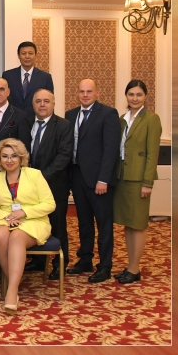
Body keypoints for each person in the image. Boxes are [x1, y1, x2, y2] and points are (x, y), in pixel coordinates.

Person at [0, 138, 55, 315]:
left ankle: (11, 291)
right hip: (7, 219)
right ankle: (13, 282)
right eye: (5, 156)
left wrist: (24, 212)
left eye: (14, 156)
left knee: (17, 236)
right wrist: (8, 217)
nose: (9, 160)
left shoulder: (35, 175)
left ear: (21, 158)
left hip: (34, 220)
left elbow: (50, 204)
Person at [64, 79, 120, 283]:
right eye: (82, 91)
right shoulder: (70, 115)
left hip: (99, 179)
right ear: (77, 93)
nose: (85, 95)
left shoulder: (108, 114)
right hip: (77, 176)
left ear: (97, 93)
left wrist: (103, 179)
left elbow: (111, 150)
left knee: (103, 224)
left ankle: (105, 266)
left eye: (89, 91)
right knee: (84, 221)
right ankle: (85, 259)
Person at [113, 80, 162, 284]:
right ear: (126, 96)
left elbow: (152, 153)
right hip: (122, 178)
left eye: (139, 94)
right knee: (128, 223)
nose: (135, 98)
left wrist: (147, 182)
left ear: (145, 96)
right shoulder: (122, 119)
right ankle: (130, 265)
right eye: (131, 94)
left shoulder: (151, 119)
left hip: (139, 179)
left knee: (139, 224)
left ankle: (135, 268)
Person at [24, 89, 73, 279]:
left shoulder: (63, 126)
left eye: (46, 101)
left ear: (53, 103)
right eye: (38, 101)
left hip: (54, 186)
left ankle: (60, 265)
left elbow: (64, 156)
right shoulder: (27, 123)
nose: (42, 105)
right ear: (33, 104)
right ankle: (38, 261)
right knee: (34, 223)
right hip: (29, 187)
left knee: (57, 225)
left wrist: (40, 179)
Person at [2, 41, 54, 118]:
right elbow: (3, 99)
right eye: (23, 53)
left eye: (30, 53)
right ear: (18, 56)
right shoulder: (8, 75)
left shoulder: (45, 77)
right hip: (12, 120)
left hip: (36, 120)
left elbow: (50, 102)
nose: (27, 56)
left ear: (35, 55)